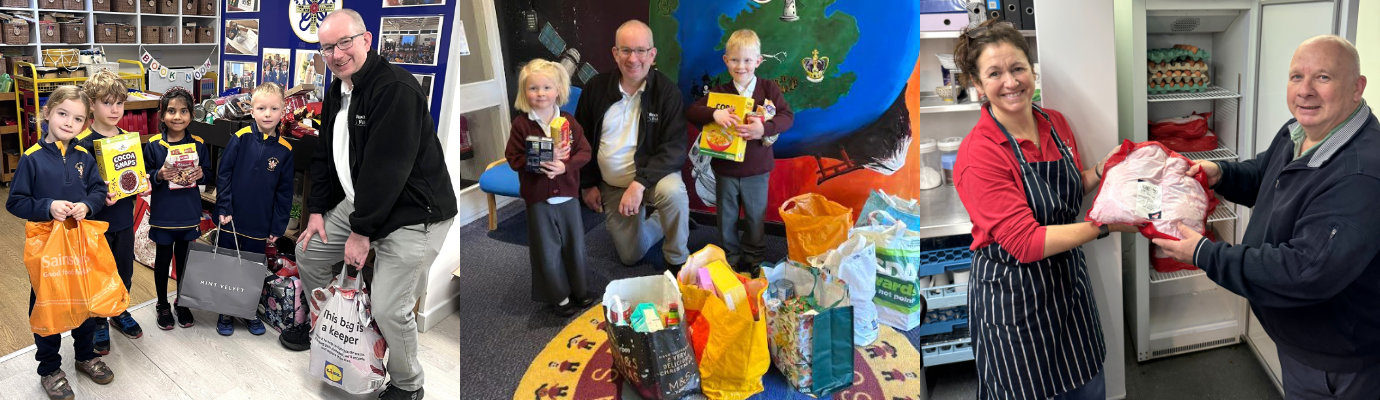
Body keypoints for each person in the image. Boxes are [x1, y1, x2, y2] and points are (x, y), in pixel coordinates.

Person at [1153, 35, 1380, 399]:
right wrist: (1220, 173)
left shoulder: (1361, 173)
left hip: (1335, 361)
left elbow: (1305, 270)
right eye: (1296, 77)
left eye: (1323, 77)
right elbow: (1265, 174)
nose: (1304, 91)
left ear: (1357, 88)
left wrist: (1204, 254)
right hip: (1301, 342)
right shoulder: (1300, 131)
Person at [950, 19, 1134, 400]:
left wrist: (1101, 170)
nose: (1011, 82)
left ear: (1031, 69)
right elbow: (1025, 242)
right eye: (995, 73)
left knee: (1086, 385)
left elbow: (1065, 192)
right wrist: (1106, 225)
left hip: (1069, 288)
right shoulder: (979, 152)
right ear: (977, 84)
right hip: (1014, 298)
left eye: (1018, 68)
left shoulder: (1055, 123)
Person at [284, 9, 456, 400]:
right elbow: (325, 158)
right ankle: (329, 331)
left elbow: (387, 171)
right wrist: (315, 212)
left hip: (413, 213)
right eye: (327, 47)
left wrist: (361, 234)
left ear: (366, 39)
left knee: (388, 307)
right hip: (363, 202)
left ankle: (408, 384)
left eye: (345, 42)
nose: (337, 53)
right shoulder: (337, 90)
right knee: (308, 252)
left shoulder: (395, 89)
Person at [6, 86, 114, 400]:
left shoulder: (84, 156)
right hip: (46, 248)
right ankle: (50, 368)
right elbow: (15, 202)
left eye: (78, 118)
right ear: (48, 113)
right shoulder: (32, 158)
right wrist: (48, 207)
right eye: (63, 113)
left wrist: (89, 206)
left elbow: (97, 191)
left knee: (83, 299)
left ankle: (84, 355)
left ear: (85, 124)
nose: (69, 122)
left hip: (79, 242)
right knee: (47, 304)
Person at [574, 19, 690, 271]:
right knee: (630, 255)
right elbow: (580, 140)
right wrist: (587, 184)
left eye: (640, 51)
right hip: (613, 185)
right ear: (615, 54)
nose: (633, 58)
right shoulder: (595, 88)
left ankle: (677, 259)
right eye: (626, 50)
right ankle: (664, 220)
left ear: (652, 54)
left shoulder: (666, 92)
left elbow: (675, 148)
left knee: (674, 193)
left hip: (652, 179)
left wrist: (639, 184)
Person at [684, 29, 793, 273]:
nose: (740, 66)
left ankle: (755, 260)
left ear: (758, 61)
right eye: (734, 59)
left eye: (747, 60)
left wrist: (763, 129)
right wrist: (714, 113)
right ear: (726, 61)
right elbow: (691, 112)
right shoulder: (719, 93)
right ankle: (729, 259)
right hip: (725, 170)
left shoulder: (768, 89)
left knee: (755, 218)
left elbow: (787, 117)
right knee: (726, 218)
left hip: (757, 170)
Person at [504, 59, 593, 317]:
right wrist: (538, 161)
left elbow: (584, 152)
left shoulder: (568, 122)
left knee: (575, 245)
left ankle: (581, 289)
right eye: (533, 88)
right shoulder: (522, 125)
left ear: (558, 90)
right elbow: (513, 157)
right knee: (547, 249)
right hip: (538, 199)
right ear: (524, 92)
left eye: (546, 87)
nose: (540, 93)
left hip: (567, 197)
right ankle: (560, 296)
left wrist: (565, 167)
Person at [213, 82, 294, 336]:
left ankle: (248, 310)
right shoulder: (240, 139)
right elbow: (223, 174)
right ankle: (225, 311)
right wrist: (223, 207)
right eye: (261, 108)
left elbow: (284, 193)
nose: (267, 114)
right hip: (233, 218)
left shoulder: (286, 150)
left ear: (283, 110)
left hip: (261, 222)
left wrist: (277, 226)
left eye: (273, 108)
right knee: (228, 266)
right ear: (252, 110)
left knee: (253, 269)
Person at [74, 70, 146, 355]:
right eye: (107, 102)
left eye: (119, 103)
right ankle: (99, 319)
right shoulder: (81, 145)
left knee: (124, 272)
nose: (115, 109)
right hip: (95, 226)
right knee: (99, 275)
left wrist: (144, 181)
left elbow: (134, 178)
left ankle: (118, 310)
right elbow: (74, 190)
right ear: (91, 104)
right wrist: (96, 195)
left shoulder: (128, 139)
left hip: (123, 221)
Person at [143, 87, 210, 331]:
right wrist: (158, 174)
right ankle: (162, 304)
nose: (177, 116)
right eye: (171, 111)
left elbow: (209, 174)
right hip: (163, 214)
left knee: (184, 260)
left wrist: (202, 173)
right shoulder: (153, 145)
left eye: (183, 111)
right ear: (162, 116)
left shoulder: (199, 144)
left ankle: (182, 302)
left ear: (191, 115)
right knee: (162, 260)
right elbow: (144, 176)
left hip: (188, 212)